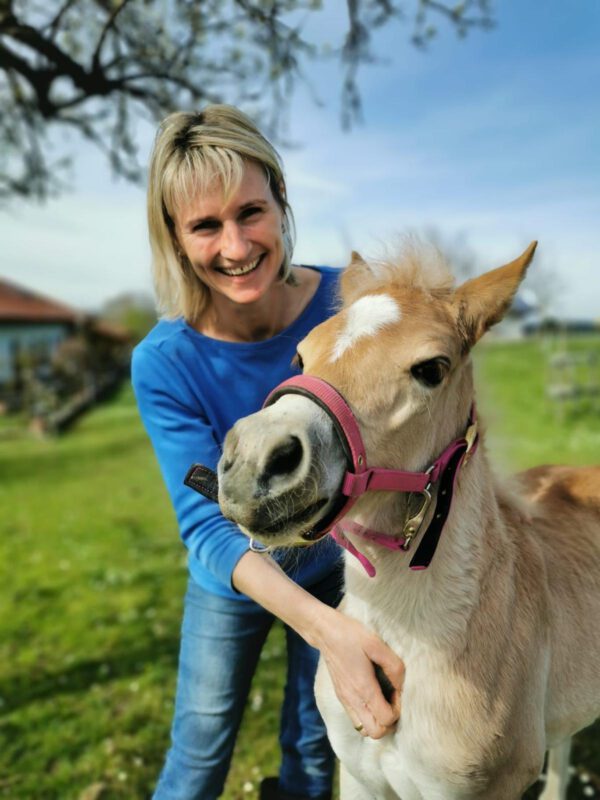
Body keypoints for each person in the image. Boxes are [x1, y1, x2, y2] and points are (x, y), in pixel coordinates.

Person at [132, 105, 405, 800]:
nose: (234, 245)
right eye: (204, 225)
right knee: (199, 751)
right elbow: (207, 527)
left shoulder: (346, 304)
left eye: (249, 211)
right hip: (236, 575)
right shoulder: (164, 361)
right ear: (174, 236)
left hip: (337, 563)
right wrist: (331, 635)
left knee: (315, 748)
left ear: (282, 200)